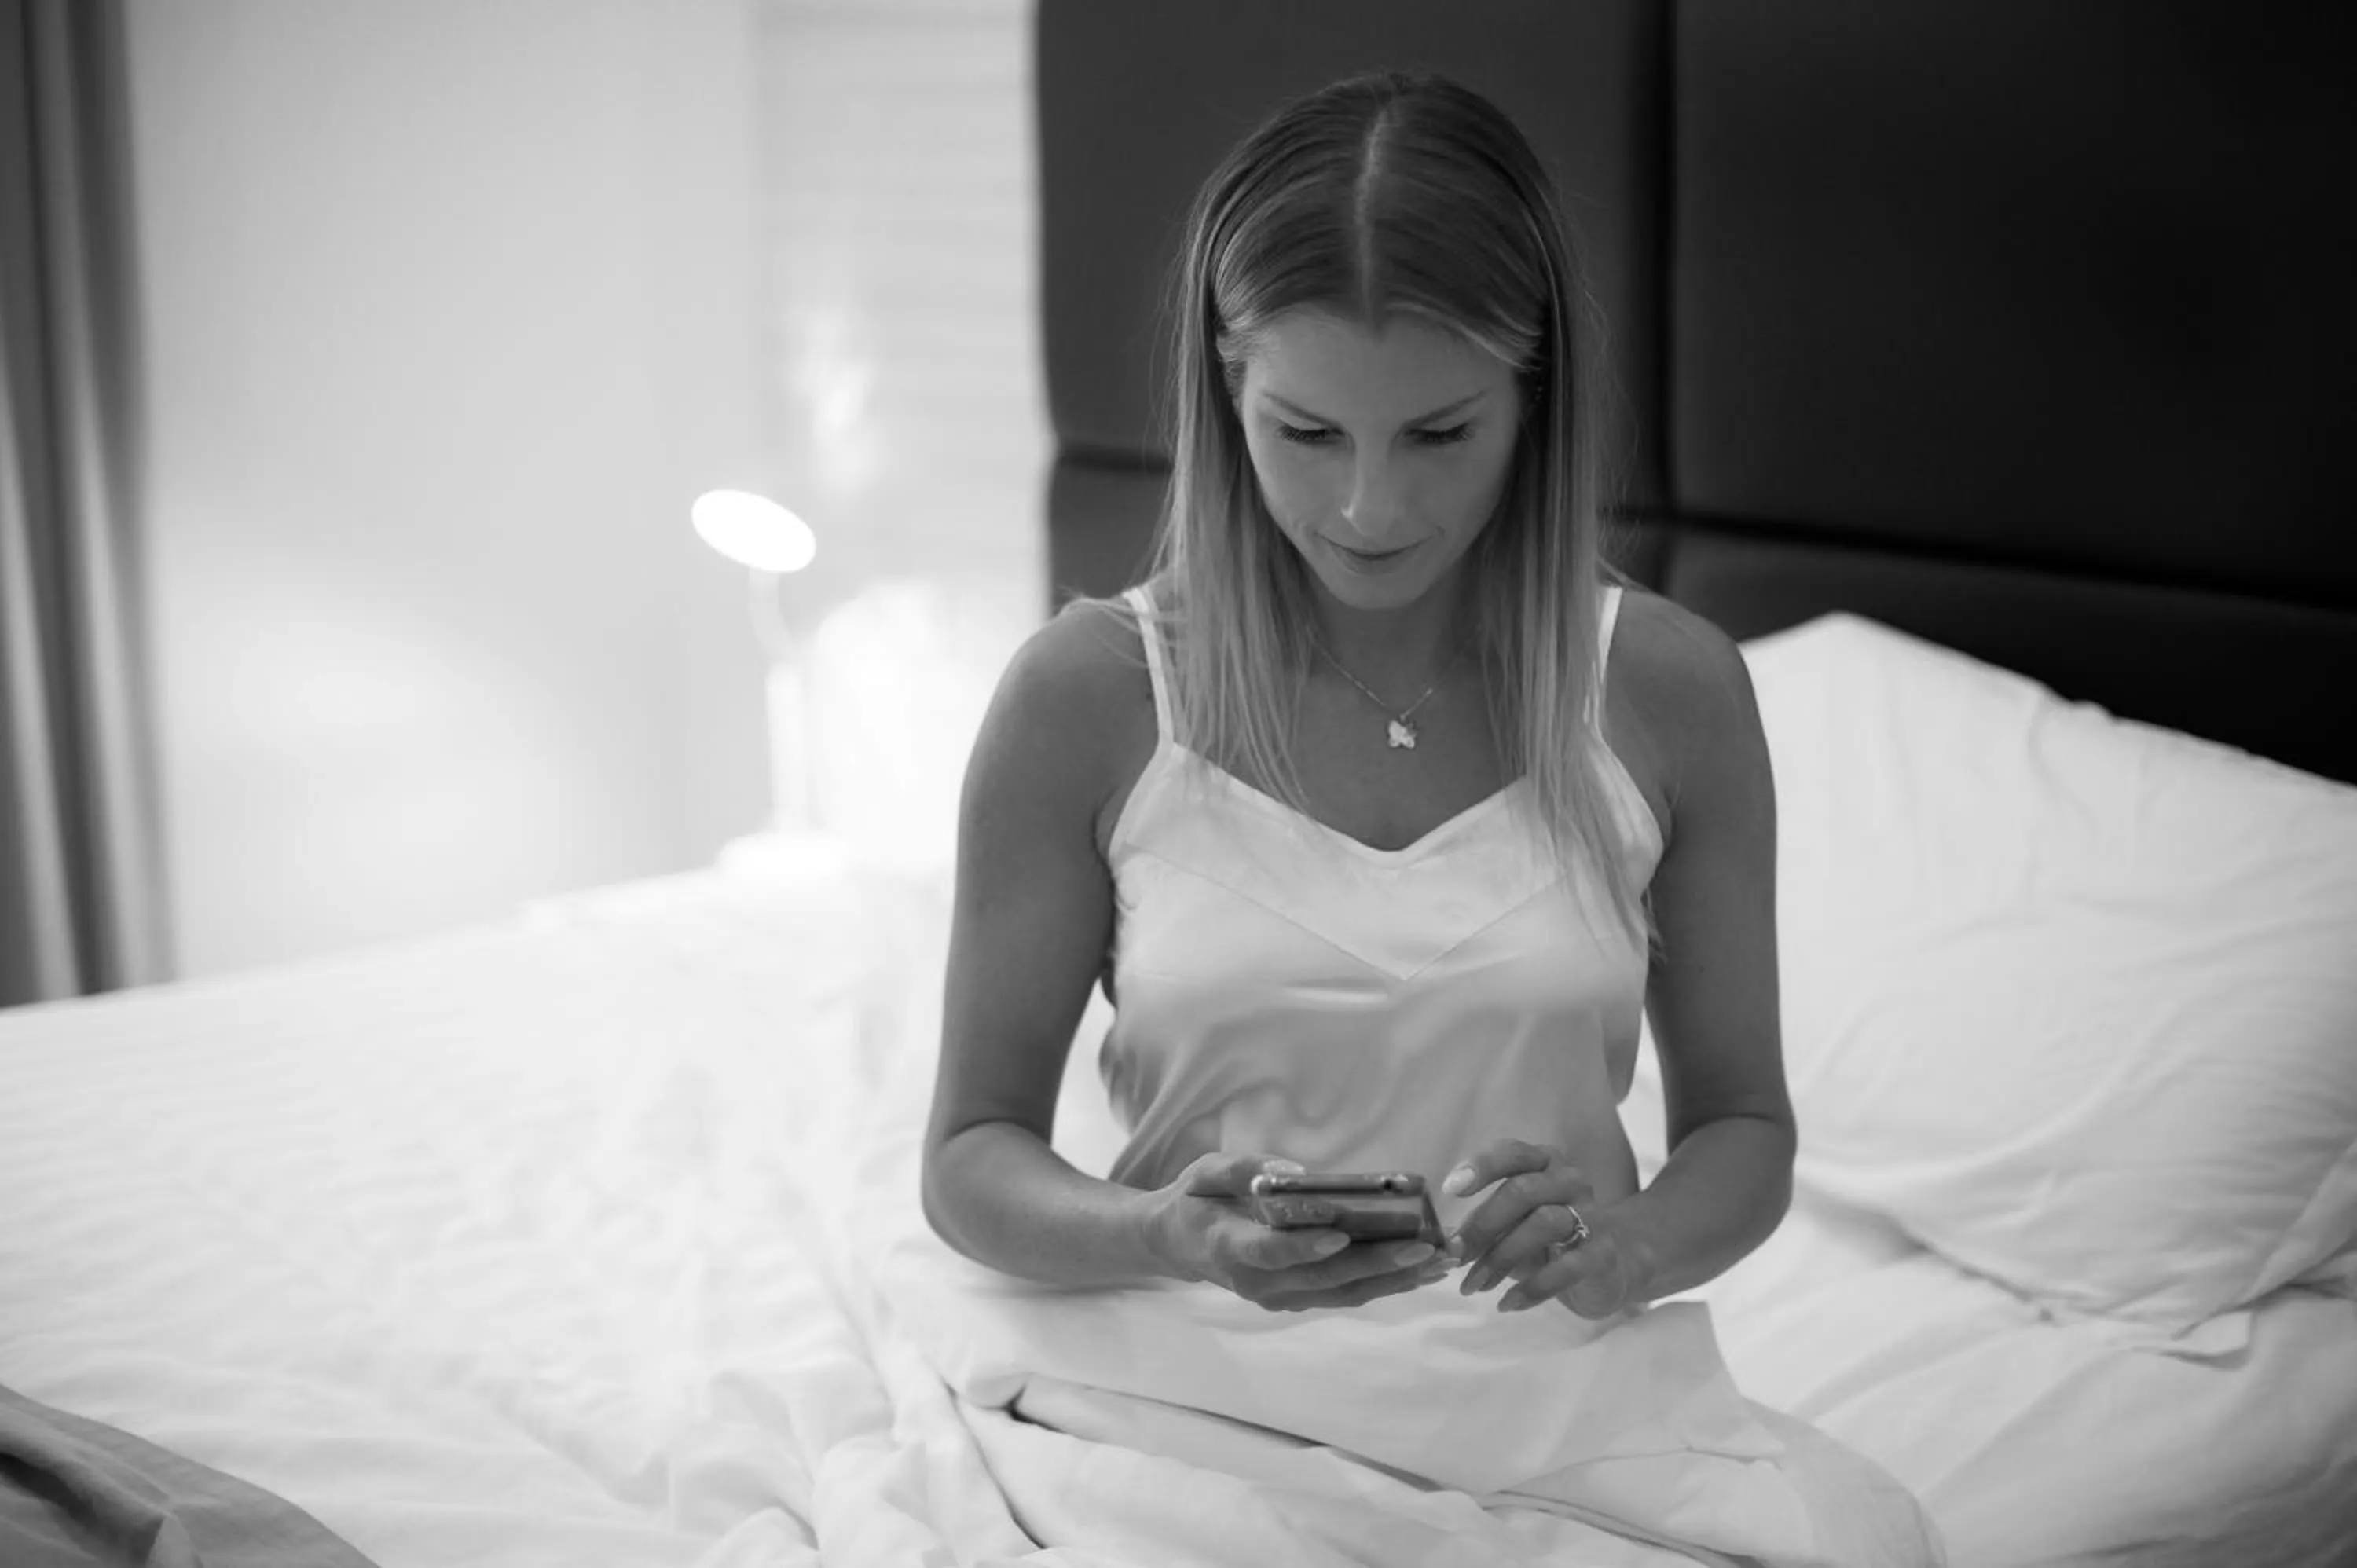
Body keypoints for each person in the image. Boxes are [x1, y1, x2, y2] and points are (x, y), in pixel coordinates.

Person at [916, 68, 1939, 1560]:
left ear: (1537, 399)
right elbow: (969, 1157)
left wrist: (1627, 1242)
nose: (1370, 510)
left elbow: (1747, 1128)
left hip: (1552, 1408)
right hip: (1169, 1385)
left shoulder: (1668, 692)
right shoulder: (1087, 697)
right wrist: (1169, 1232)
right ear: (1224, 389)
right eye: (1307, 434)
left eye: (1440, 435)